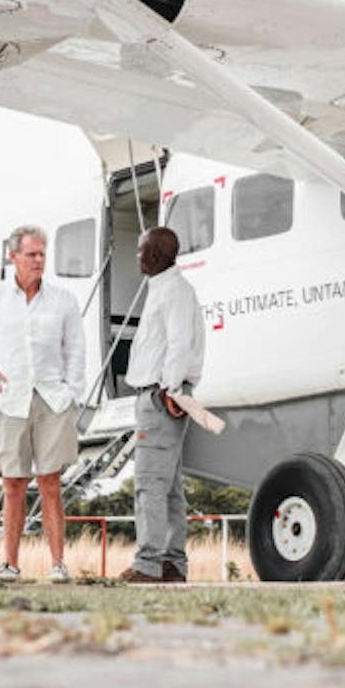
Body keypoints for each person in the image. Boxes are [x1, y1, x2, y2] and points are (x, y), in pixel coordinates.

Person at [0, 224, 89, 583]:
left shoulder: (64, 300)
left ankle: (59, 564)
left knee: (51, 483)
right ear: (12, 256)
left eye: (42, 254)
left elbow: (76, 350)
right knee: (13, 485)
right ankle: (10, 564)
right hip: (10, 401)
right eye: (31, 254)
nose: (39, 260)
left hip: (53, 401)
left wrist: (72, 393)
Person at [121, 225, 206, 583]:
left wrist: (169, 390)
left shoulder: (172, 291)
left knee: (149, 484)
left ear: (153, 255)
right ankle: (171, 563)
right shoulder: (168, 289)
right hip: (163, 393)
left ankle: (148, 563)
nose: (137, 256)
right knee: (169, 487)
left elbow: (179, 342)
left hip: (158, 396)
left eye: (141, 250)